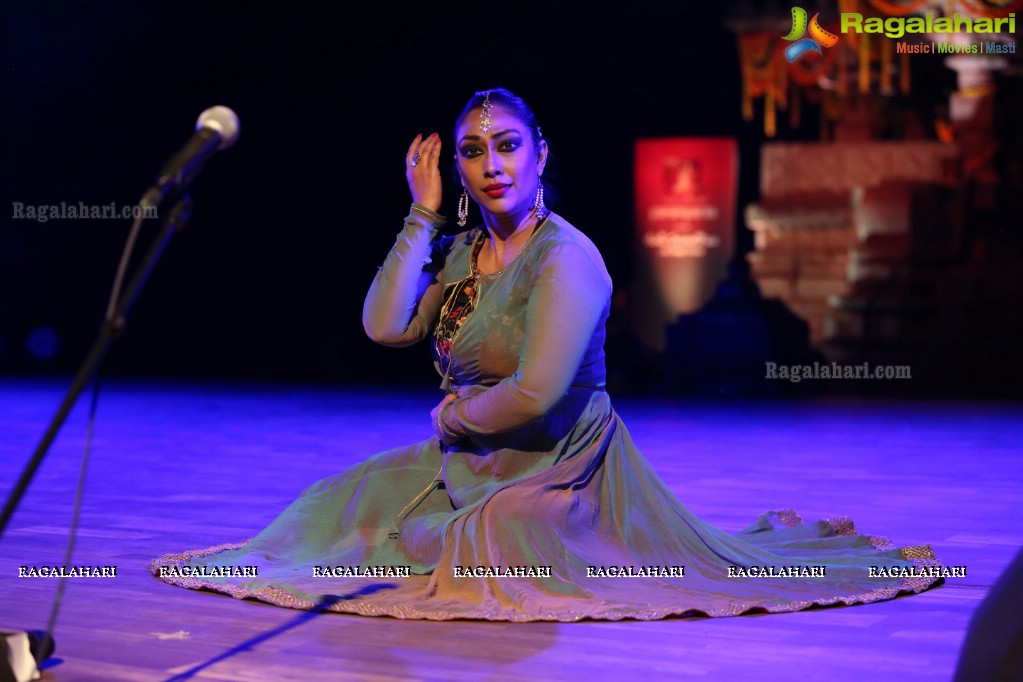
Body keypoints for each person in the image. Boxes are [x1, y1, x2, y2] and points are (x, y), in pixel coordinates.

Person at [151, 88, 943, 621]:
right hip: (467, 454)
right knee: (342, 501)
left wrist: (455, 413)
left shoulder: (568, 258)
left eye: (505, 146)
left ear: (538, 153)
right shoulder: (462, 251)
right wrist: (420, 218)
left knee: (478, 543)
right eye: (470, 152)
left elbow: (534, 392)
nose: (490, 165)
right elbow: (384, 326)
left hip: (562, 466)